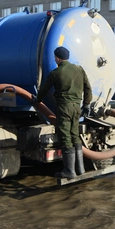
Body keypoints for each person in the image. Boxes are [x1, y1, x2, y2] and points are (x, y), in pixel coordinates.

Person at [33, 46, 92, 179]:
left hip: (64, 108)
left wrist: (37, 101)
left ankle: (69, 171)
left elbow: (44, 89)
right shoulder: (79, 69)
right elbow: (88, 88)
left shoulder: (56, 73)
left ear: (58, 58)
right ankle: (80, 169)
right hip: (77, 107)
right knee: (75, 135)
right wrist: (87, 104)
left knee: (65, 137)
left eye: (55, 57)